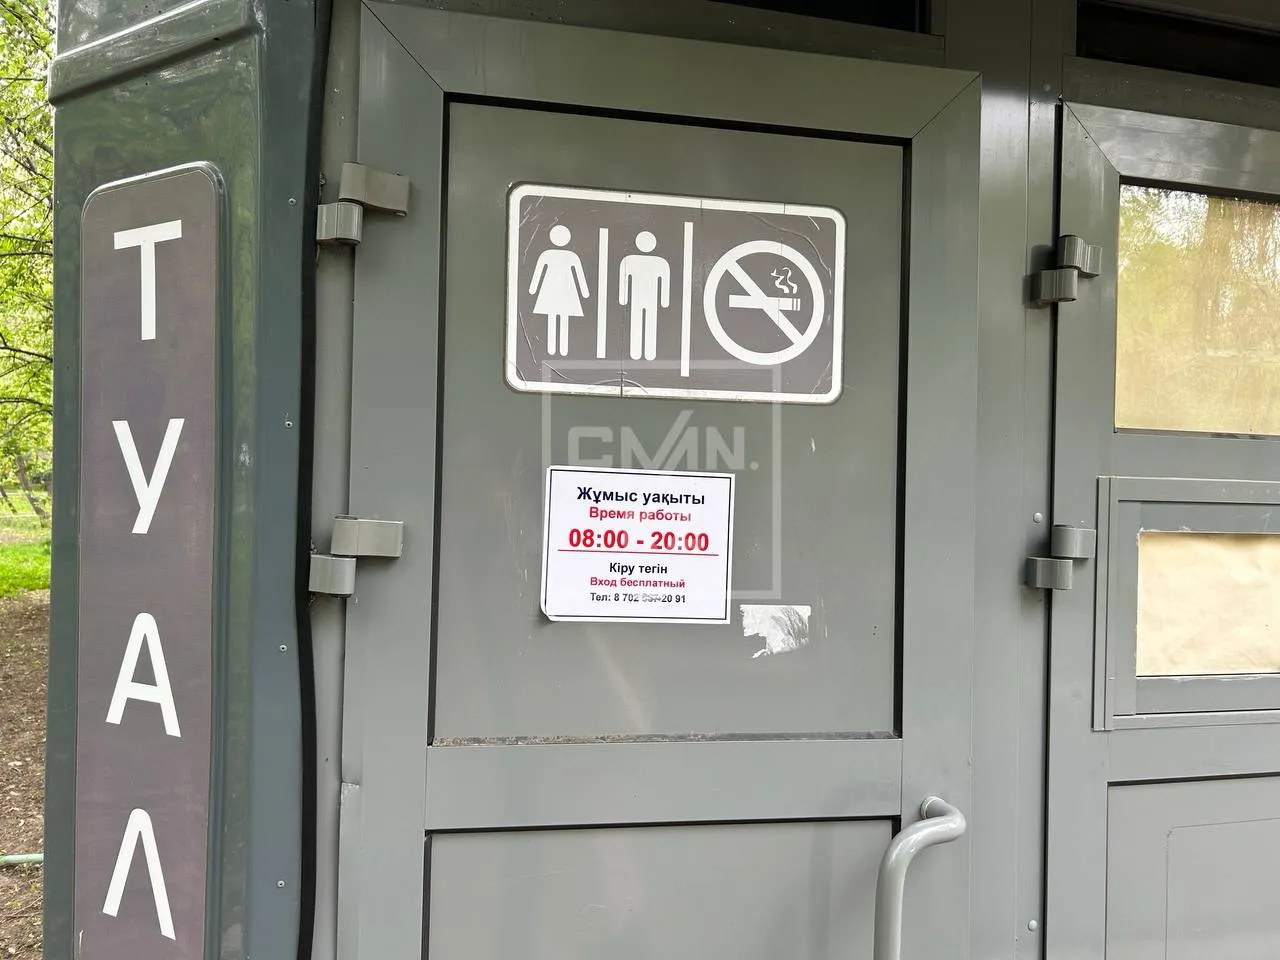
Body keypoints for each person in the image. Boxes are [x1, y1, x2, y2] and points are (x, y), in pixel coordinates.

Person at [529, 224, 590, 357]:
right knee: (559, 318)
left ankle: (559, 349)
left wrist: (533, 289)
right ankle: (556, 349)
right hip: (559, 291)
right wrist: (584, 292)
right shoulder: (568, 255)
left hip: (557, 291)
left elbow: (579, 274)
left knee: (558, 318)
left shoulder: (551, 255)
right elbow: (539, 272)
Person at [618, 231, 670, 361]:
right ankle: (642, 352)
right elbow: (624, 280)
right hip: (643, 298)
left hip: (645, 298)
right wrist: (664, 301)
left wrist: (623, 299)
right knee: (643, 322)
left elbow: (665, 282)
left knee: (643, 322)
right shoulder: (659, 262)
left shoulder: (631, 260)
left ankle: (642, 352)